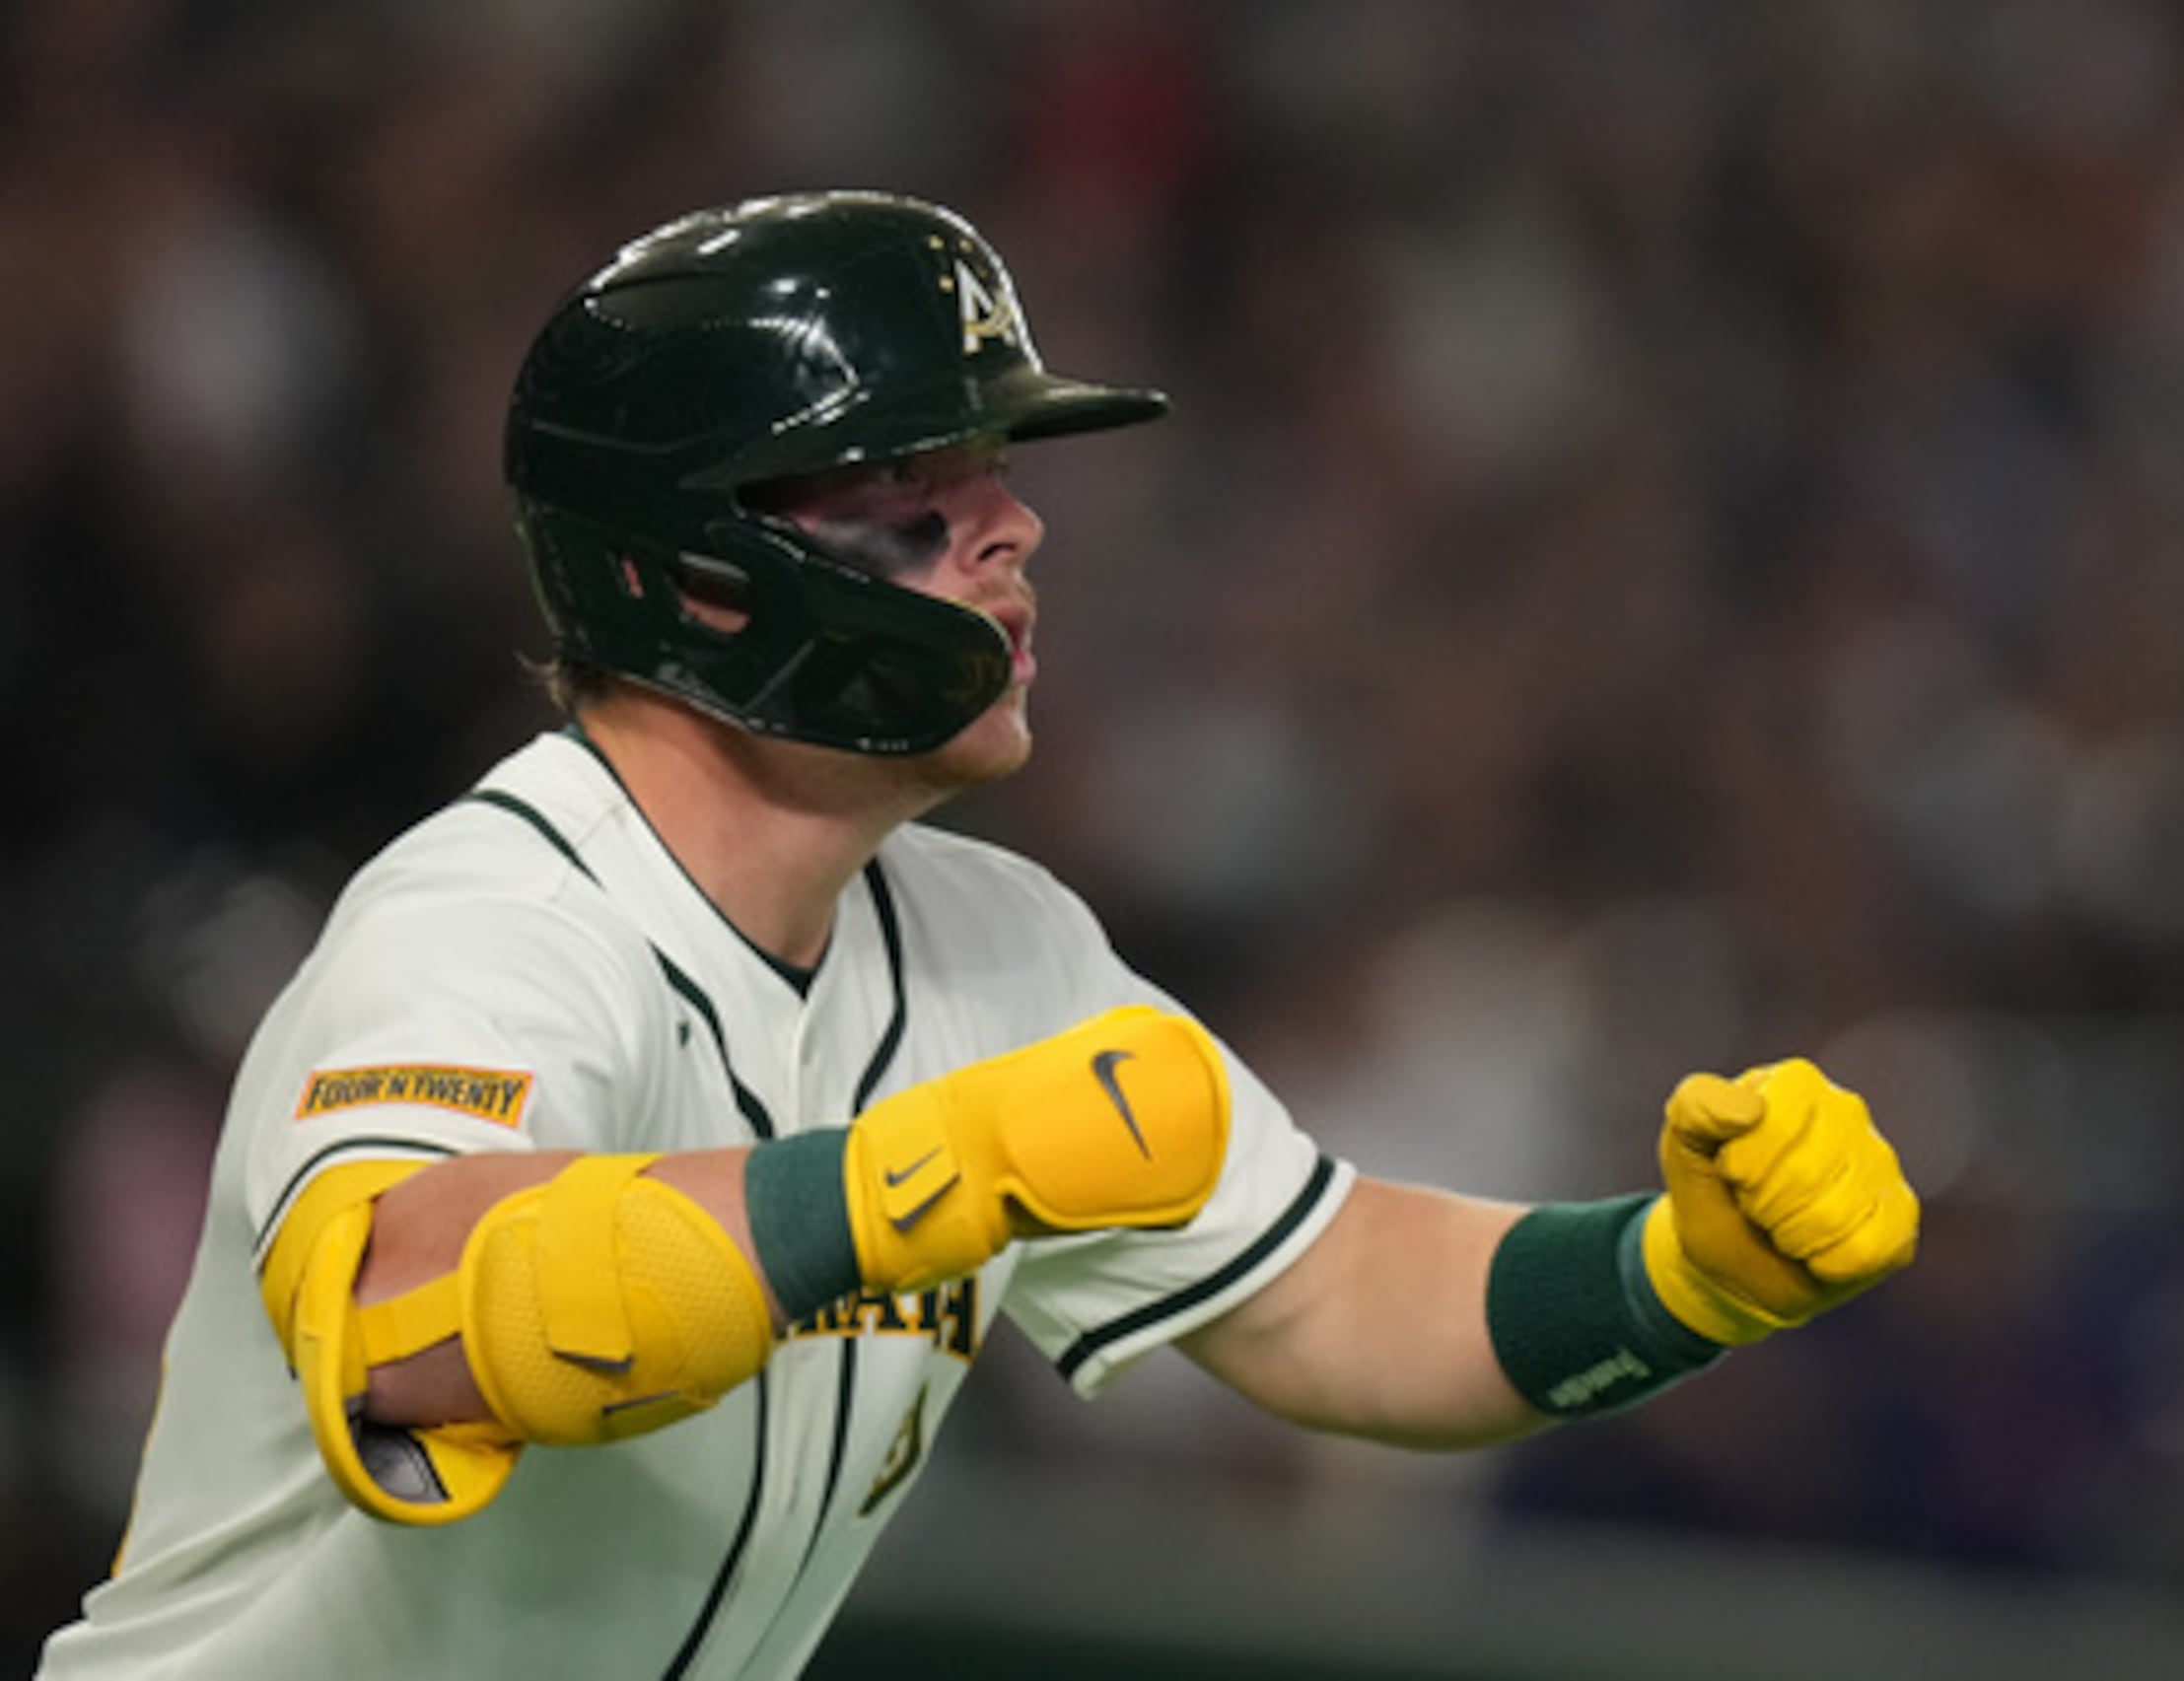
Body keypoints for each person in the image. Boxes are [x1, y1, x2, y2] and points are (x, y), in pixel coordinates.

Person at [39, 191, 1921, 1680]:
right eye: (918, 496)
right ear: (699, 568)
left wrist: (1679, 1274)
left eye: (1000, 478)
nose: (1015, 527)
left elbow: (1342, 1299)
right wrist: (901, 1186)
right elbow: (407, 1309)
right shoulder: (500, 912)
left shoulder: (991, 940)